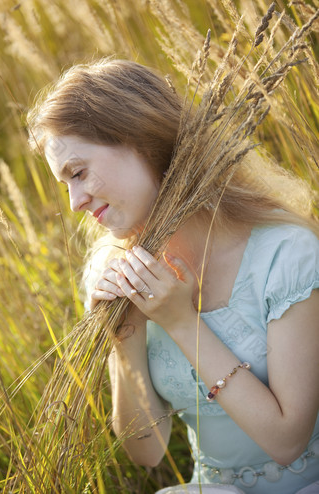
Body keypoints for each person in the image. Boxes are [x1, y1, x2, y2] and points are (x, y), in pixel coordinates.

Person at [28, 58, 319, 494]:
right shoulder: (115, 269)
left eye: (79, 172)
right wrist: (123, 337)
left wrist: (181, 321)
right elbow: (147, 453)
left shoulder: (285, 252)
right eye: (64, 184)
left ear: (140, 141)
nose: (74, 202)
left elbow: (287, 441)